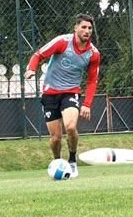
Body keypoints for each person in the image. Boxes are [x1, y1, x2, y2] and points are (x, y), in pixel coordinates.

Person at [24, 14, 100, 178]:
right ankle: (58, 162)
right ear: (76, 28)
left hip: (71, 92)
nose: (87, 31)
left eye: (89, 28)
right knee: (56, 138)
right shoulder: (62, 42)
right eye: (83, 27)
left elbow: (92, 81)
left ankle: (72, 161)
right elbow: (38, 54)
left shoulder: (93, 54)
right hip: (50, 93)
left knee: (71, 126)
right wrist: (31, 69)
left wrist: (86, 104)